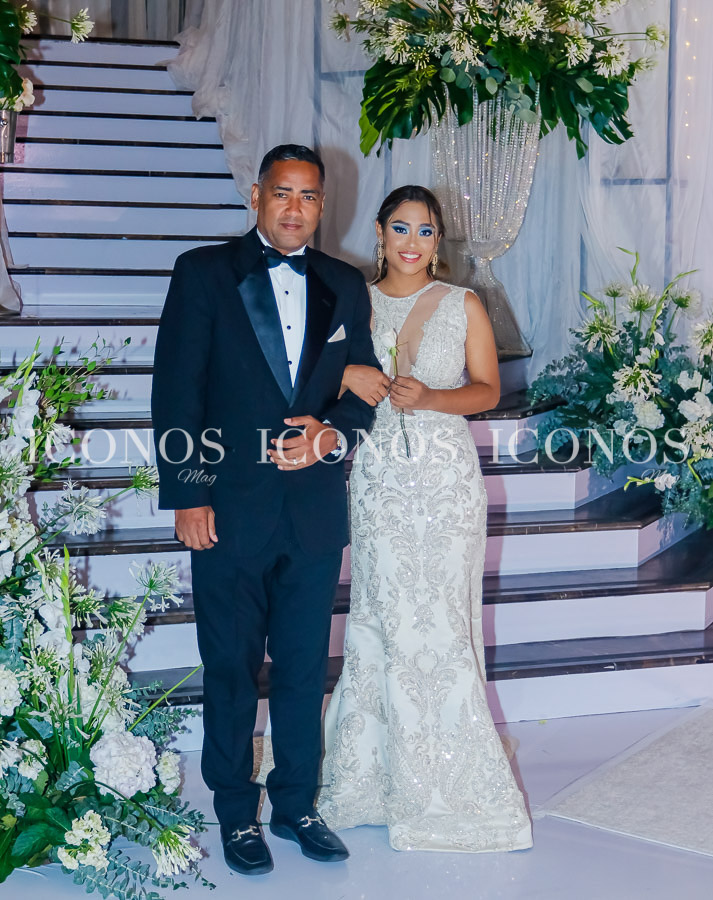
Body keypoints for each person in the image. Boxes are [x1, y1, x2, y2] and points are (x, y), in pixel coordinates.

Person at [151, 144, 380, 876]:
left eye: (308, 196)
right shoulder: (203, 273)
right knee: (230, 666)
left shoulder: (344, 283)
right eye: (282, 192)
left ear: (322, 205)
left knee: (304, 668)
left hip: (312, 514)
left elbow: (363, 388)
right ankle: (234, 812)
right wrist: (189, 493)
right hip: (228, 509)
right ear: (256, 196)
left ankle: (296, 805)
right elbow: (176, 390)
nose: (294, 208)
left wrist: (330, 434)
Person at [317, 185, 533, 853]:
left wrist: (434, 397)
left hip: (444, 482)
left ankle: (447, 783)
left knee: (440, 623)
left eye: (426, 231)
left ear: (438, 243)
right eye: (401, 228)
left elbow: (488, 390)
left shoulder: (464, 303)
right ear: (380, 234)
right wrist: (346, 381)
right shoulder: (350, 300)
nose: (412, 242)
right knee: (379, 619)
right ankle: (367, 780)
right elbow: (316, 377)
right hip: (378, 480)